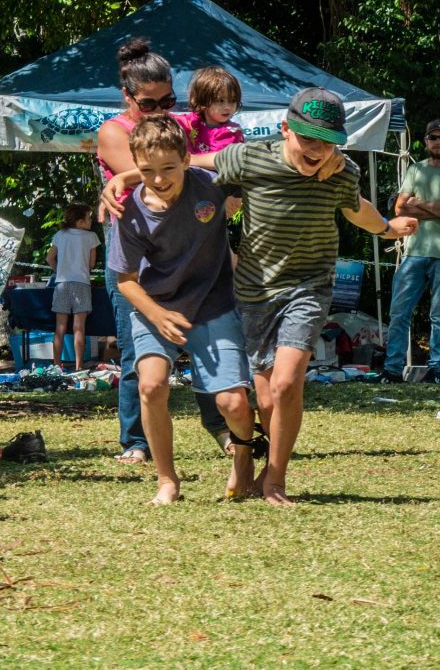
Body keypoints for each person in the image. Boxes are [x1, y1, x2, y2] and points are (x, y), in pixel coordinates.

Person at [105, 86, 419, 505]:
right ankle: (224, 467)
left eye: (328, 142)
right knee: (265, 399)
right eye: (308, 138)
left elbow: (354, 205)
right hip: (253, 292)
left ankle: (275, 480)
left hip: (307, 286)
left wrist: (385, 227)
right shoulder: (249, 158)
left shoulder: (340, 172)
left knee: (287, 383)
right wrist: (129, 175)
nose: (317, 150)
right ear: (285, 129)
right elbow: (195, 162)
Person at [108, 116, 258, 504]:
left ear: (187, 159)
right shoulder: (129, 211)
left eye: (168, 168)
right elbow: (125, 280)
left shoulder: (210, 185)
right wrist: (158, 316)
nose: (158, 180)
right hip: (154, 307)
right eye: (146, 171)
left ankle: (243, 459)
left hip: (213, 303)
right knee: (151, 384)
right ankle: (167, 480)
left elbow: (250, 163)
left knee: (234, 403)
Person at [94, 36, 177, 464]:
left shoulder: (176, 127)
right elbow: (151, 177)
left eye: (168, 100)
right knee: (134, 350)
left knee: (200, 343)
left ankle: (223, 429)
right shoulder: (113, 131)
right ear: (126, 96)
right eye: (149, 104)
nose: (161, 111)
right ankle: (136, 441)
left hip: (176, 246)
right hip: (129, 249)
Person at [383, 121, 440, 383]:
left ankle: (437, 370)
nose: (438, 142)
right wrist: (437, 207)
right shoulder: (415, 169)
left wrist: (417, 204)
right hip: (414, 251)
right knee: (399, 311)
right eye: (433, 137)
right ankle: (392, 369)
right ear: (426, 141)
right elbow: (399, 208)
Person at [50, 206, 95, 374]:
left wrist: (59, 270)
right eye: (89, 217)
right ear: (79, 221)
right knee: (79, 328)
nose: (91, 221)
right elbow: (91, 264)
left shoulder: (60, 235)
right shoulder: (91, 237)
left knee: (60, 328)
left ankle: (56, 366)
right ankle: (79, 366)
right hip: (82, 284)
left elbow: (49, 257)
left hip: (61, 284)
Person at [183, 67, 244, 156]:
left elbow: (216, 161)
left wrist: (189, 160)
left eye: (233, 100)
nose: (227, 107)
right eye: (220, 101)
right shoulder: (197, 120)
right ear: (203, 101)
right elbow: (177, 120)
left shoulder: (230, 133)